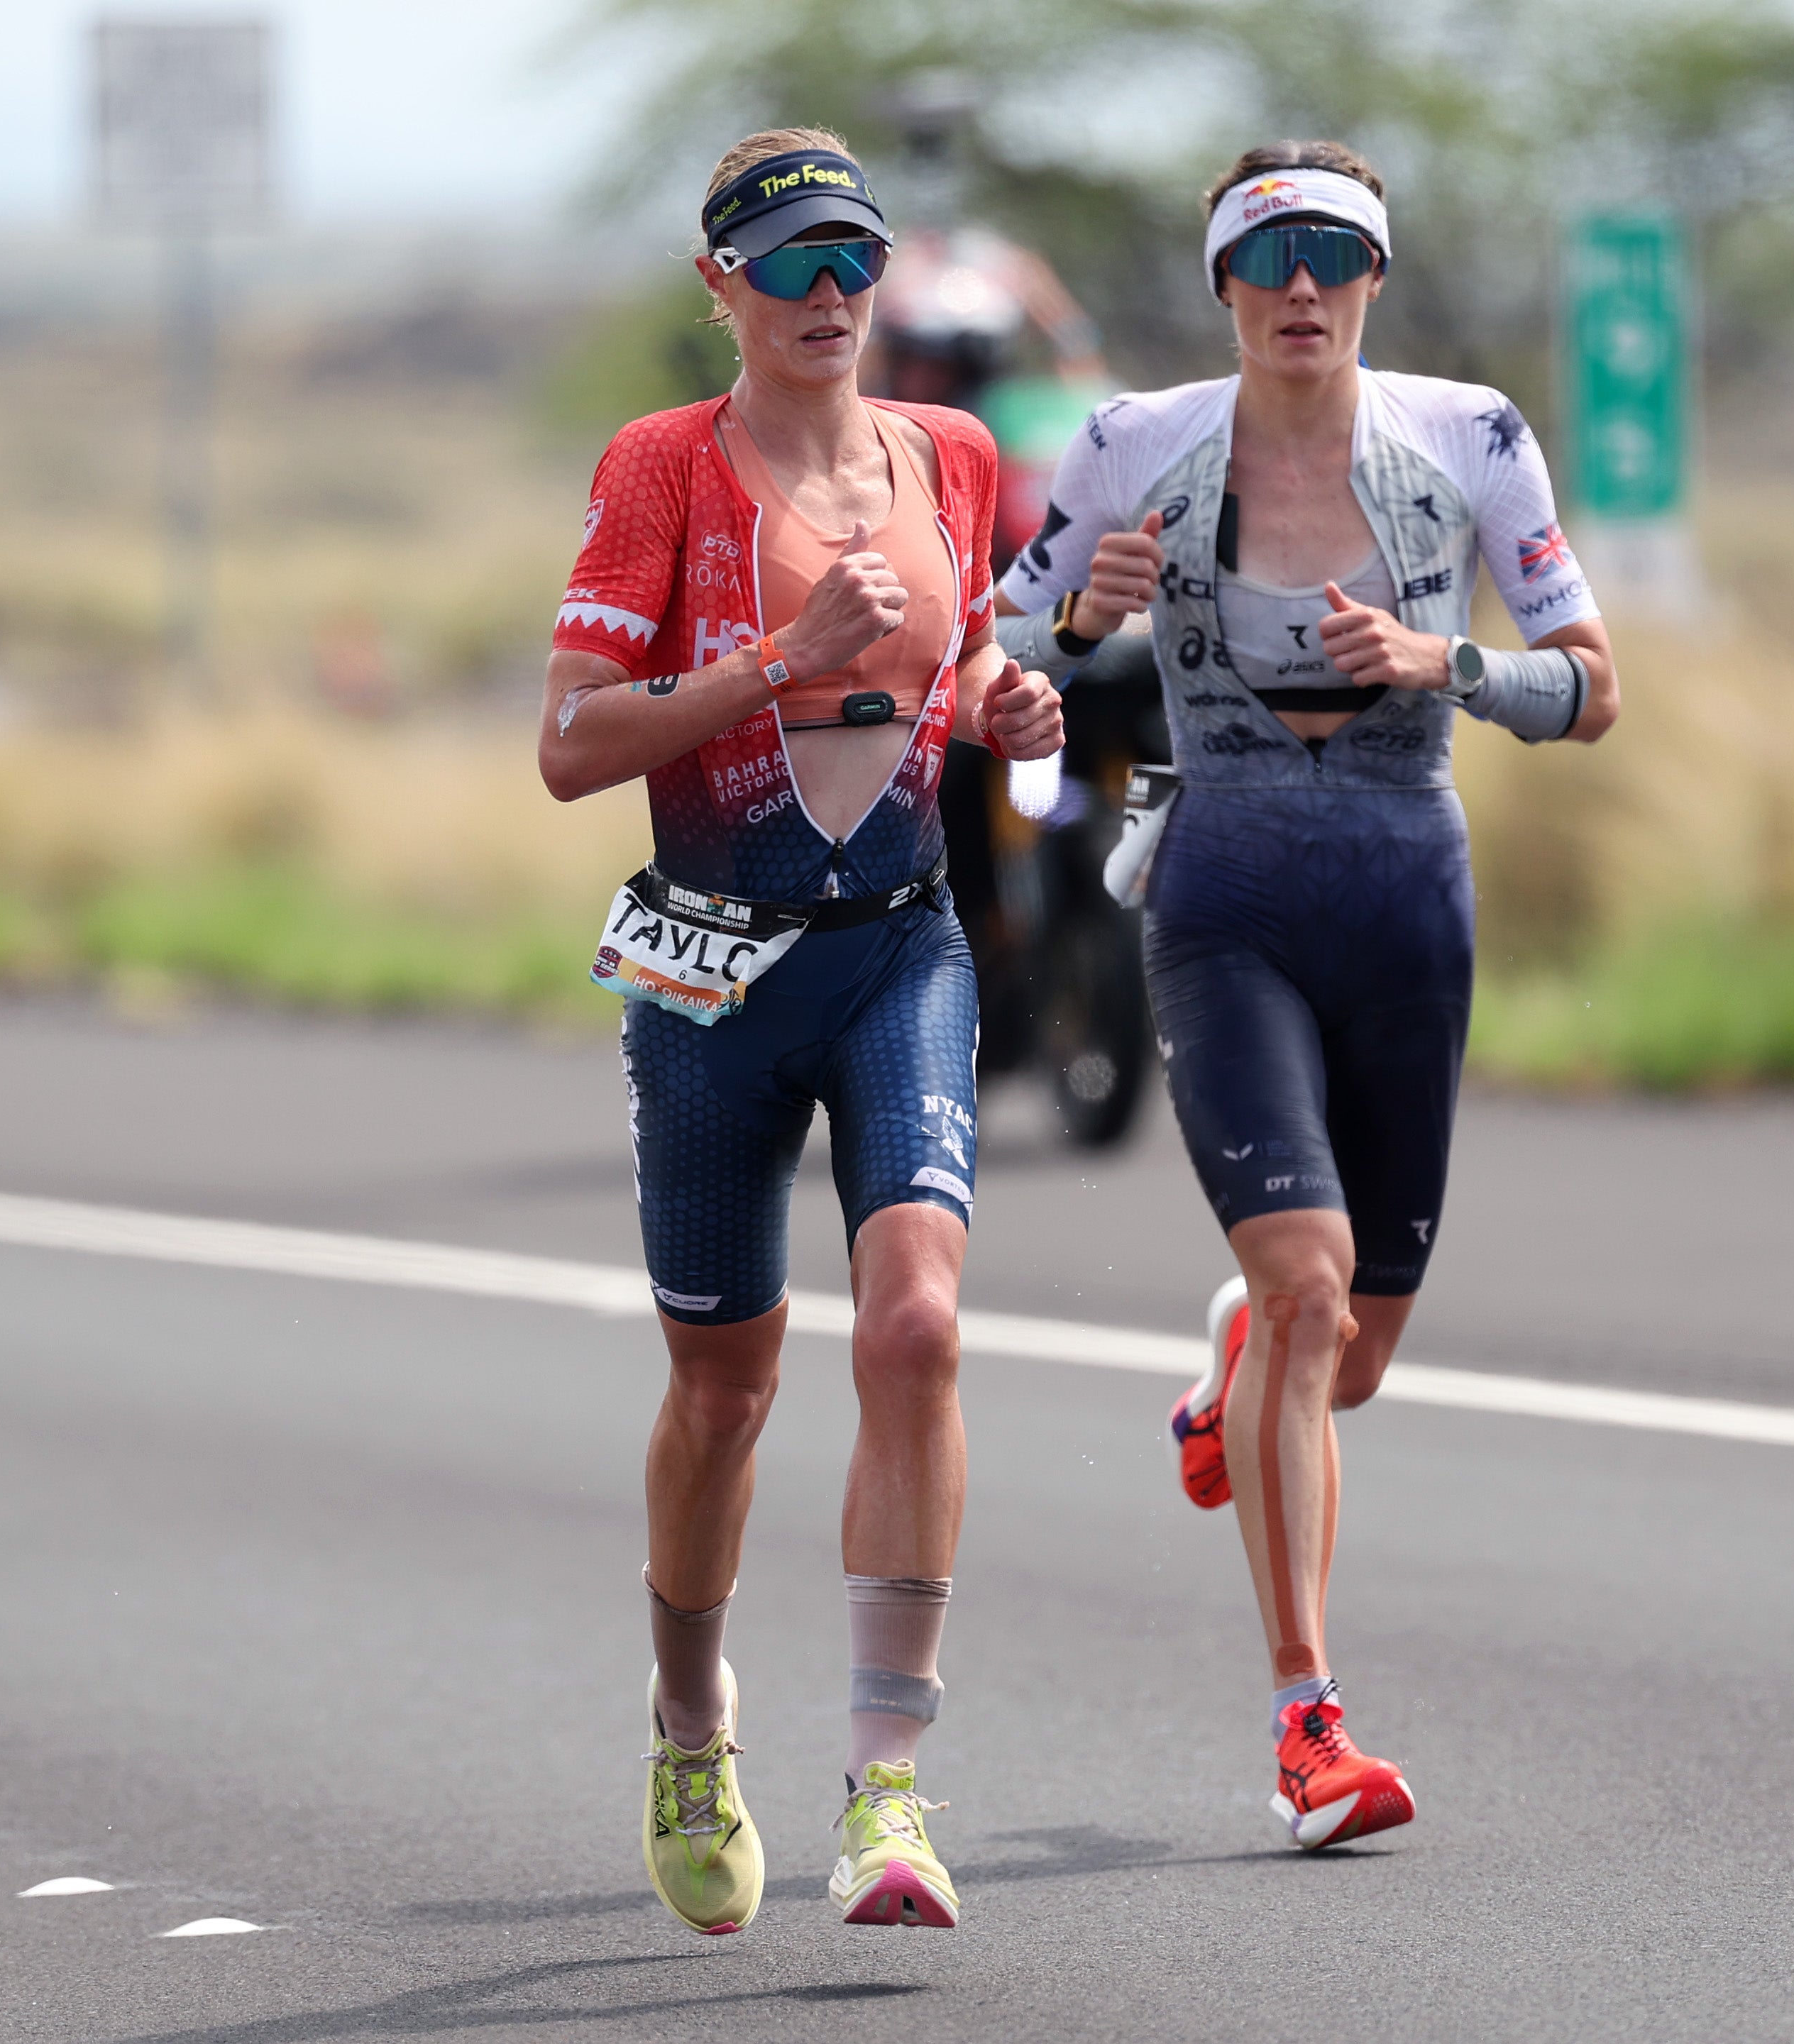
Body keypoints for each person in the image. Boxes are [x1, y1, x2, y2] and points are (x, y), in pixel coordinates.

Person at [996, 140, 1620, 1850]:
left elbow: (1595, 691)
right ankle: (1308, 1728)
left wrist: (1454, 665)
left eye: (1332, 256)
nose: (1299, 288)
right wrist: (1073, 628)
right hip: (1228, 893)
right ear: (1222, 284)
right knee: (1309, 1279)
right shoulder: (1135, 445)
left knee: (1340, 1358)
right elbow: (991, 649)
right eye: (1267, 257)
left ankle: (1230, 1368)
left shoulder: (1474, 437)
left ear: (1372, 279)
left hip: (1410, 894)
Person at [536, 126, 1062, 1936]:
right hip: (712, 975)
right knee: (726, 1385)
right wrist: (770, 659)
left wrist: (1007, 700)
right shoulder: (663, 469)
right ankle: (693, 1722)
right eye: (790, 267)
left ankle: (890, 1790)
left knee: (915, 1326)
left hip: (897, 949)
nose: (829, 298)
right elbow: (573, 744)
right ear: (723, 287)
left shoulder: (956, 455)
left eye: (855, 262)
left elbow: (959, 659)